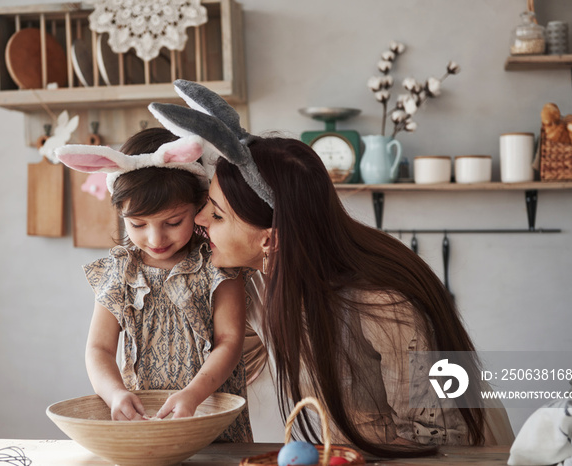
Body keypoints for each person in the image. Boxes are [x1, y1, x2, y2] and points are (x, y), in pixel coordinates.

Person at [148, 80, 515, 457]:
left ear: (271, 238)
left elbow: (436, 441)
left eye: (218, 213)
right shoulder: (259, 276)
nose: (201, 219)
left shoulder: (385, 305)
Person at [55, 128, 253, 442]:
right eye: (137, 224)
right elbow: (99, 349)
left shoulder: (219, 265)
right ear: (121, 213)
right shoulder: (121, 271)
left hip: (212, 417)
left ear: (199, 207)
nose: (155, 239)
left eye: (173, 222)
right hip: (145, 424)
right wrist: (115, 395)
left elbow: (229, 341)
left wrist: (192, 395)